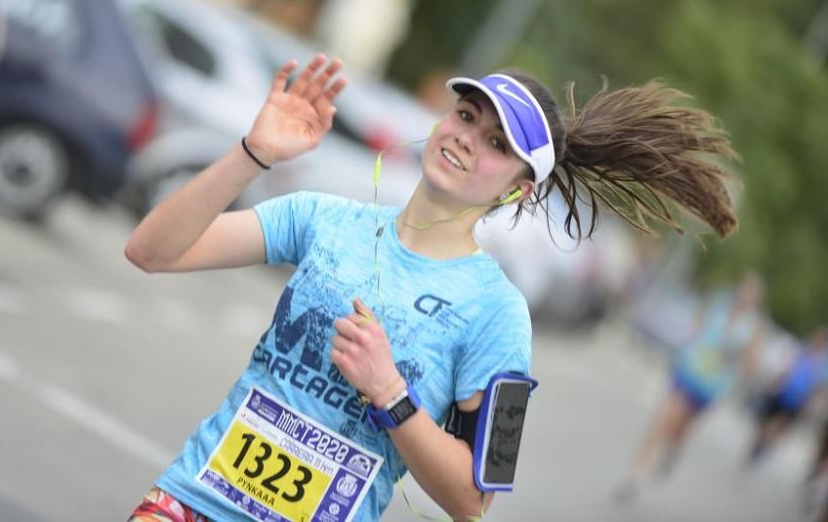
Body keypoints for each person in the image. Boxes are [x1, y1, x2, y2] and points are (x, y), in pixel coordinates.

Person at [125, 54, 740, 522]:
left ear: (518, 190)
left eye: (498, 144)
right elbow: (150, 251)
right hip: (190, 502)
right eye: (467, 116)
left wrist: (390, 392)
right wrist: (254, 153)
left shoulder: (500, 315)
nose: (468, 139)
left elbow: (476, 498)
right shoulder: (321, 217)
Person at [615, 272, 765, 501]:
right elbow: (697, 323)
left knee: (681, 428)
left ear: (756, 300)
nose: (745, 296)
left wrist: (734, 366)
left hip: (709, 386)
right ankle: (634, 476)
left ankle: (673, 451)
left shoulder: (752, 327)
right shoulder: (719, 305)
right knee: (664, 419)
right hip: (688, 371)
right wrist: (694, 340)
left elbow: (750, 363)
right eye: (744, 290)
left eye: (751, 294)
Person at [747, 327, 828, 466]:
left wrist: (812, 404)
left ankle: (765, 444)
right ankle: (761, 442)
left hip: (797, 402)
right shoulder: (801, 349)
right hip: (781, 392)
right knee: (764, 422)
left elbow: (819, 389)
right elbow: (785, 365)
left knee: (778, 426)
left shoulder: (822, 365)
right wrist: (775, 381)